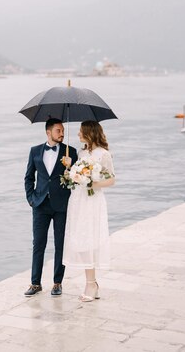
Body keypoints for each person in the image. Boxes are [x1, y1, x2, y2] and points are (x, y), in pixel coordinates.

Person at [24, 118, 78, 296]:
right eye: (58, 131)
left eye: (62, 131)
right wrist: (31, 198)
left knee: (60, 244)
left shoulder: (71, 152)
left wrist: (71, 168)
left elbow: (76, 181)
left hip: (61, 205)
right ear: (48, 132)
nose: (61, 134)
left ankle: (57, 282)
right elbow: (29, 177)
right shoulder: (35, 151)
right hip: (40, 204)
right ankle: (35, 283)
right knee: (38, 244)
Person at [62, 120, 115, 302]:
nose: (78, 134)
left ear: (89, 132)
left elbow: (111, 180)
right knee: (81, 239)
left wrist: (92, 183)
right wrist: (71, 169)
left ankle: (91, 283)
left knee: (90, 240)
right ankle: (92, 282)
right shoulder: (81, 152)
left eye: (80, 131)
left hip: (93, 200)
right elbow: (78, 174)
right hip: (78, 200)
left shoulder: (104, 154)